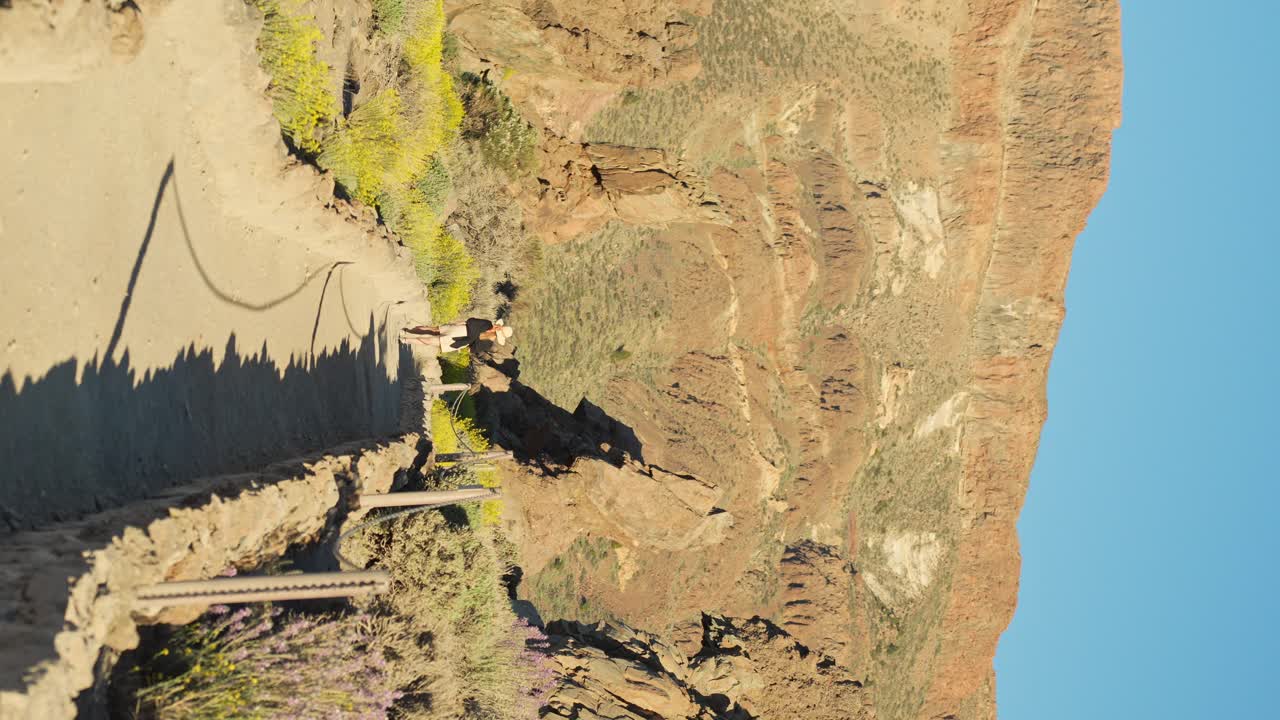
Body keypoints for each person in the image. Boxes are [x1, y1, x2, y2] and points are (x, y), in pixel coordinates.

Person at [400, 317, 513, 353]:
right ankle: (408, 334)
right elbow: (470, 321)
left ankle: (407, 338)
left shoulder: (487, 343)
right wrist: (458, 323)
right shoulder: (487, 326)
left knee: (431, 338)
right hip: (460, 333)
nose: (497, 327)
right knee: (432, 331)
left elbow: (471, 349)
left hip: (461, 338)